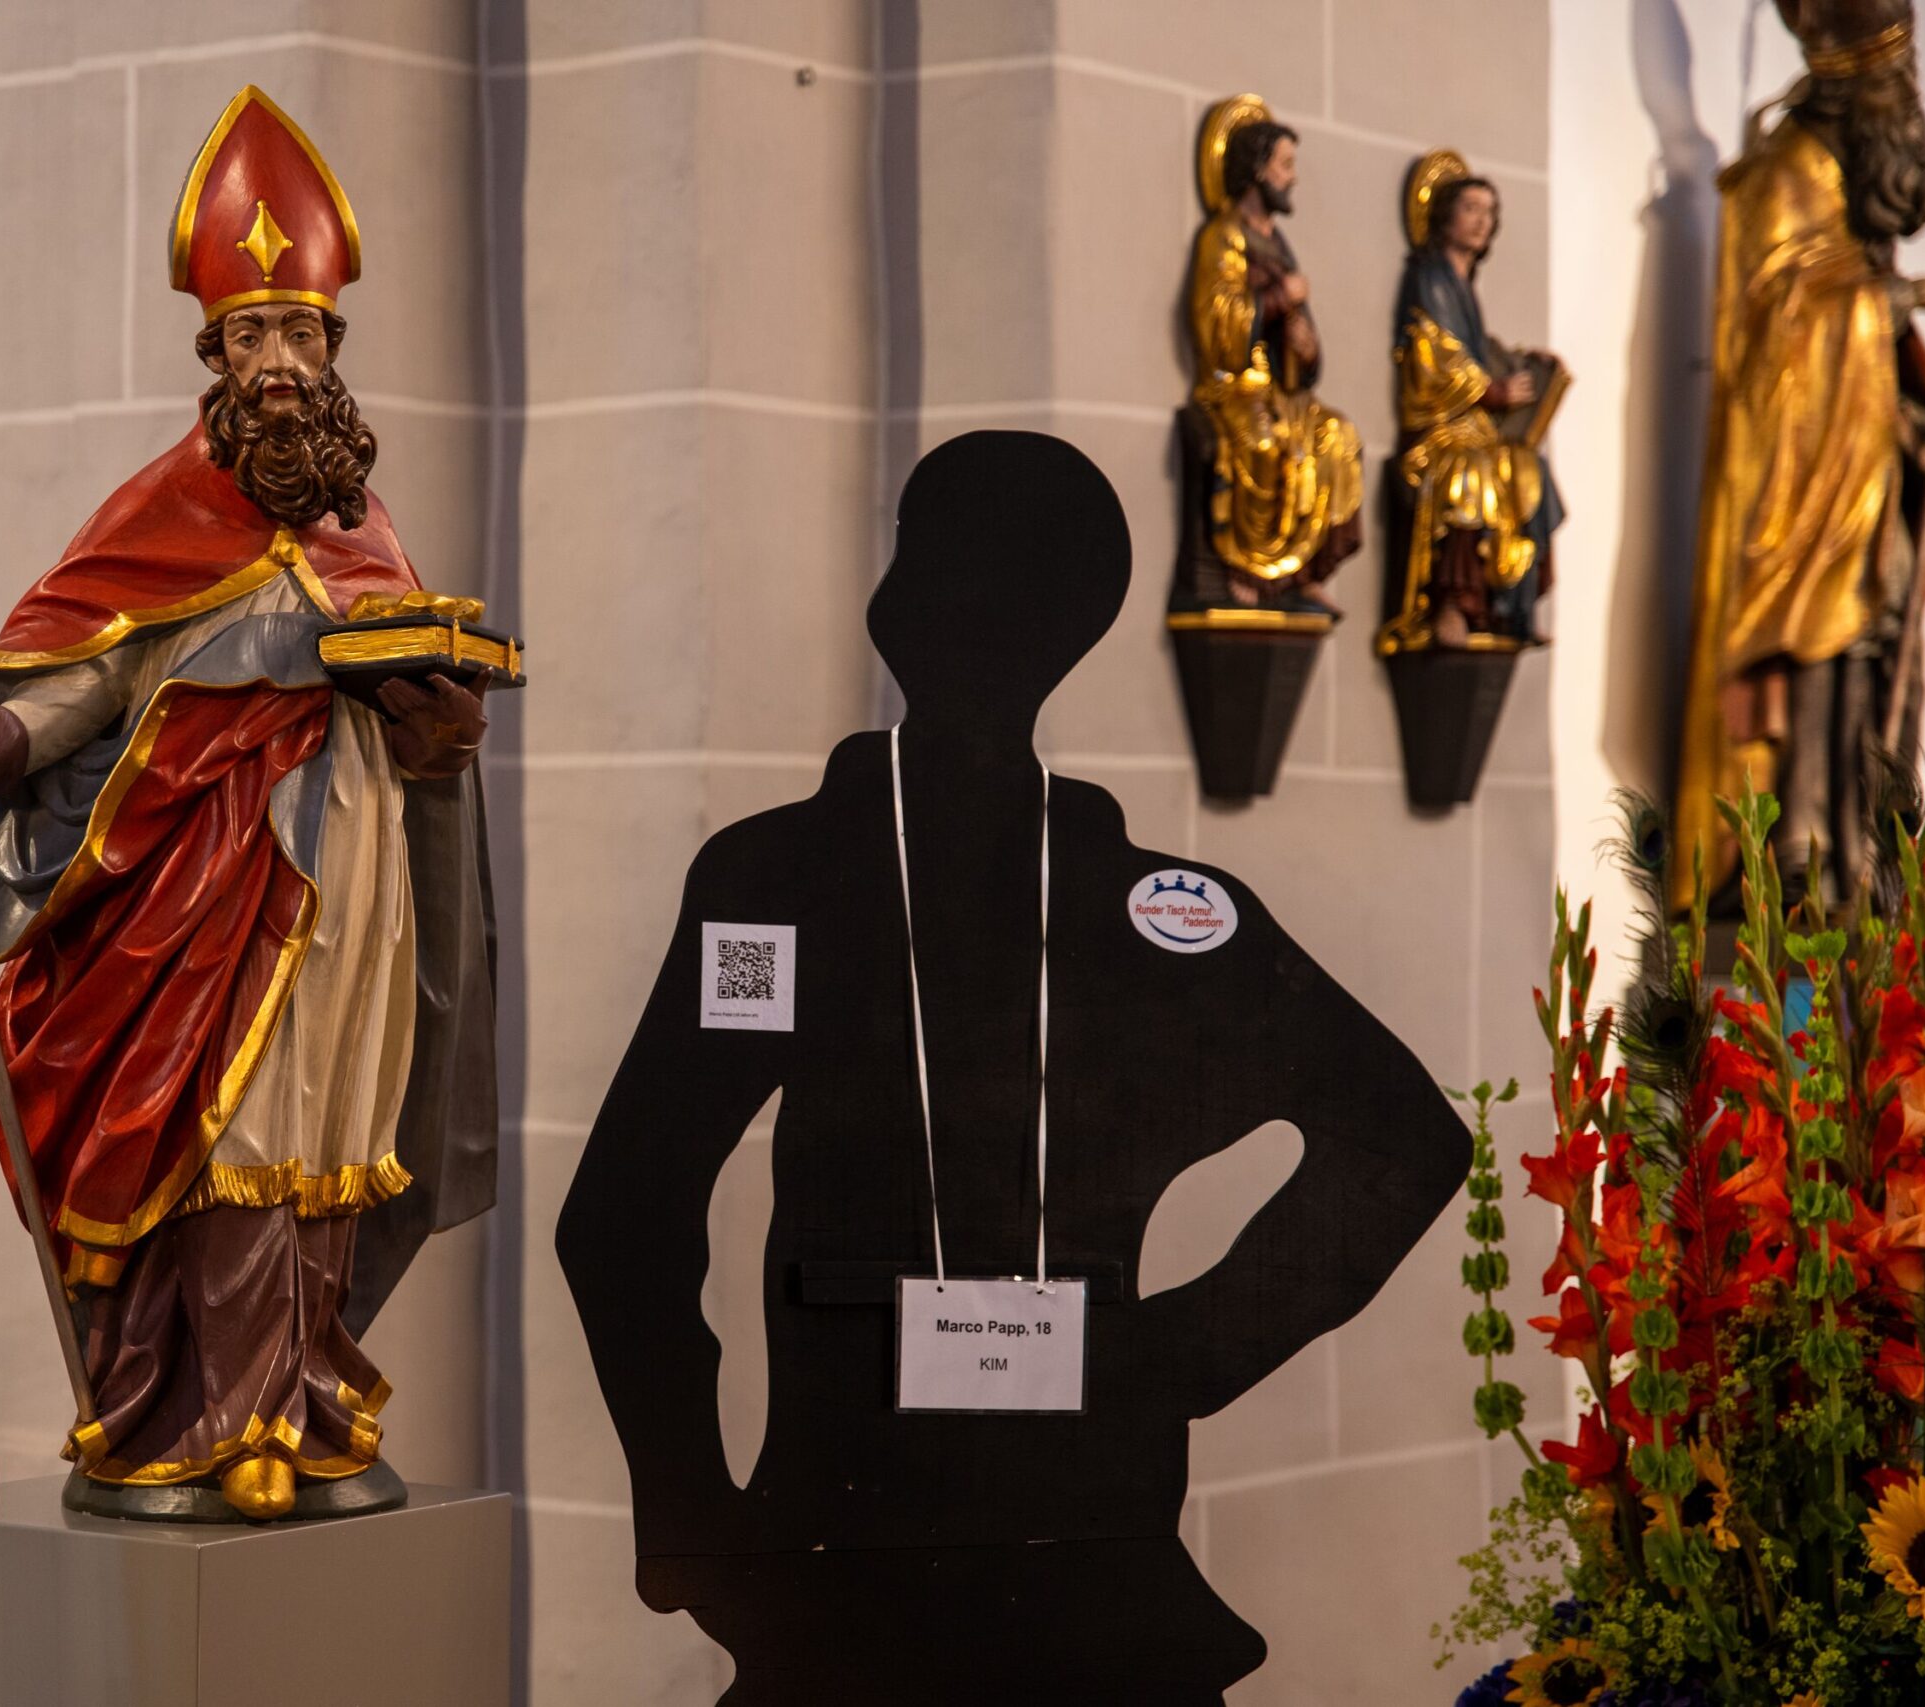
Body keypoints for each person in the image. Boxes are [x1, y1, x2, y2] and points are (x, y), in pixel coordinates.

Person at [560, 433, 1465, 1702]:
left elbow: (624, 1219)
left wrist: (1183, 1356)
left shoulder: (1136, 908)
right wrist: (1176, 1357)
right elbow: (625, 1218)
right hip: (898, 1540)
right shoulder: (784, 891)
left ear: (896, 605)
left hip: (995, 1544)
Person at [0, 85, 498, 1521]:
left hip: (352, 874)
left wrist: (439, 727)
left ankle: (303, 1393)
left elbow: (421, 726)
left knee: (330, 1125)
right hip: (199, 877)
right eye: (251, 337)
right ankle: (207, 1413)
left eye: (300, 335)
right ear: (212, 356)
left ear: (334, 351)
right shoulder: (164, 510)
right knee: (225, 1133)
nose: (279, 362)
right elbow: (85, 678)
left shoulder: (365, 530)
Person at [1674, 0, 1925, 907]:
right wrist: (1899, 297)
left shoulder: (1849, 189)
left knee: (1886, 646)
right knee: (1821, 638)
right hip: (1806, 490)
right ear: (1854, 92)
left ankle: (1867, 838)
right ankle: (1802, 842)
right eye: (1895, 92)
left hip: (1868, 468)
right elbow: (1773, 342)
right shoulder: (1781, 176)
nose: (1909, 111)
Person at [1176, 102, 1366, 615]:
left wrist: (1306, 348)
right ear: (1258, 170)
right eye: (1285, 165)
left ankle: (1302, 572)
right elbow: (1218, 321)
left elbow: (1296, 332)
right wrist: (1280, 300)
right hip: (1234, 386)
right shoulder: (1224, 237)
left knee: (1337, 437)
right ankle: (1249, 573)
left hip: (1282, 389)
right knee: (1262, 444)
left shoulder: (1278, 244)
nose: (1293, 178)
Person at [1378, 161, 1565, 652]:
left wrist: (1524, 363)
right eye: (1470, 209)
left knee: (1530, 472)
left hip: (1472, 428)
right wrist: (1491, 392)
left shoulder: (1462, 285)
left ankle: (1511, 607)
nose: (1482, 220)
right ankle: (1452, 605)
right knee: (1470, 473)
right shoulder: (1429, 278)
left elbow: (1477, 349)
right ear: (1444, 216)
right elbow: (1434, 357)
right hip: (1437, 433)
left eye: (1490, 211)